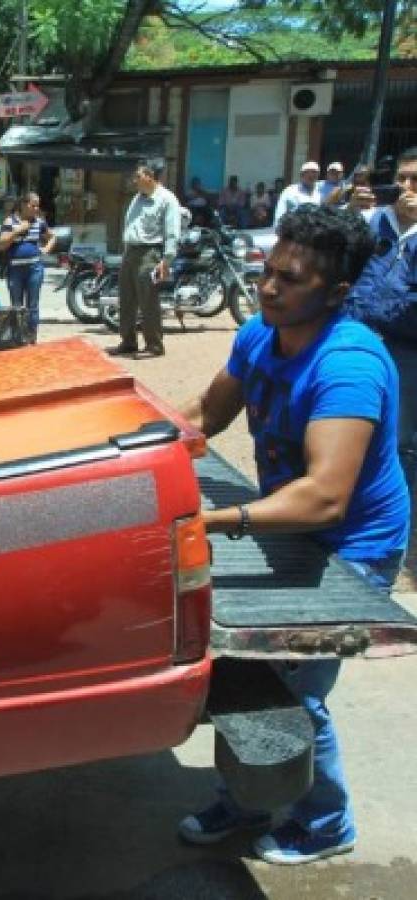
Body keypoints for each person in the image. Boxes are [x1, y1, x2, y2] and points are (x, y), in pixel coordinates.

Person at [177, 206, 407, 865]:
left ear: (335, 293)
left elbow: (324, 496)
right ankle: (250, 794)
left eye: (290, 279)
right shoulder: (258, 335)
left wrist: (213, 521)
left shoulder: (348, 365)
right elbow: (203, 415)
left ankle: (326, 822)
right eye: (266, 271)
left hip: (351, 543)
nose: (268, 287)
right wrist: (131, 446)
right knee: (240, 674)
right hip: (288, 524)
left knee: (291, 692)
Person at [345, 146, 417, 577]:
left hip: (407, 355)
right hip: (357, 347)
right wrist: (346, 214)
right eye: (403, 178)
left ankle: (399, 552)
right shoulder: (372, 224)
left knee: (400, 447)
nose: (406, 189)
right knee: (348, 433)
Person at [108, 161, 181, 358]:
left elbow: (172, 233)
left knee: (148, 299)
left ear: (150, 176)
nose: (134, 181)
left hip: (150, 254)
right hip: (130, 252)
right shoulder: (136, 199)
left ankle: (154, 344)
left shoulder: (167, 200)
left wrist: (166, 260)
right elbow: (130, 228)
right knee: (127, 298)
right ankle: (128, 341)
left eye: (138, 176)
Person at [0, 192, 56, 342]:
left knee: (33, 306)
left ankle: (31, 338)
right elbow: (2, 244)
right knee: (16, 306)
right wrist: (18, 230)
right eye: (33, 205)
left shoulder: (39, 222)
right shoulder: (10, 221)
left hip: (35, 269)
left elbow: (52, 236)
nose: (36, 208)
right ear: (23, 204)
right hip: (15, 270)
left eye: (37, 205)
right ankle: (18, 338)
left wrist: (46, 249)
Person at [274, 161, 322, 225]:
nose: (311, 175)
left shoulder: (320, 192)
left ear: (318, 175)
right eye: (307, 172)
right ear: (301, 175)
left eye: (314, 172)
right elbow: (279, 216)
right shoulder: (290, 191)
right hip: (294, 230)